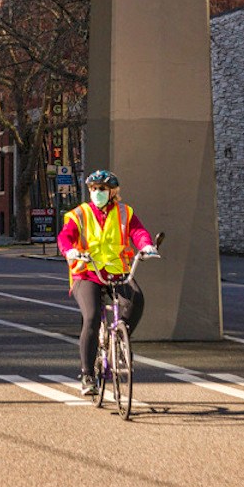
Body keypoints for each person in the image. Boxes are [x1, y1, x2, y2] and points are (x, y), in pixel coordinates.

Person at [57, 169, 159, 396]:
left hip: (117, 271)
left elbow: (138, 231)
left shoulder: (125, 212)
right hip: (87, 272)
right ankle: (87, 375)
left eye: (101, 189)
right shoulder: (79, 214)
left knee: (136, 300)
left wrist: (146, 245)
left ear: (113, 192)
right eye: (93, 189)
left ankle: (119, 339)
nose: (97, 193)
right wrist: (70, 251)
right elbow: (65, 236)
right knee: (92, 317)